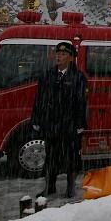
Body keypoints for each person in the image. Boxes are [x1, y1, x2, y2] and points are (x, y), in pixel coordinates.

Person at [31, 41, 88, 198]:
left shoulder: (78, 77)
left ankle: (70, 187)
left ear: (71, 58)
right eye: (58, 54)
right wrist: (36, 119)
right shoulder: (48, 75)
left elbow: (82, 102)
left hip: (68, 124)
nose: (59, 57)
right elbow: (39, 99)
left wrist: (81, 123)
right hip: (50, 124)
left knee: (70, 156)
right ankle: (50, 186)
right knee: (50, 156)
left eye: (63, 54)